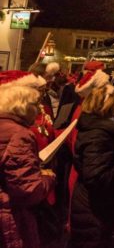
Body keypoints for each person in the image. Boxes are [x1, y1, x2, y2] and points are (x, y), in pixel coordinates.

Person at [69, 84, 114, 247]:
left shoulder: (103, 129)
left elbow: (109, 156)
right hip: (96, 211)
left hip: (108, 206)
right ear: (108, 107)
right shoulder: (98, 133)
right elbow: (96, 176)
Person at [0, 83, 56, 248]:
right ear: (23, 106)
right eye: (35, 104)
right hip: (11, 216)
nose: (38, 110)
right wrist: (48, 178)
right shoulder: (19, 134)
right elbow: (29, 190)